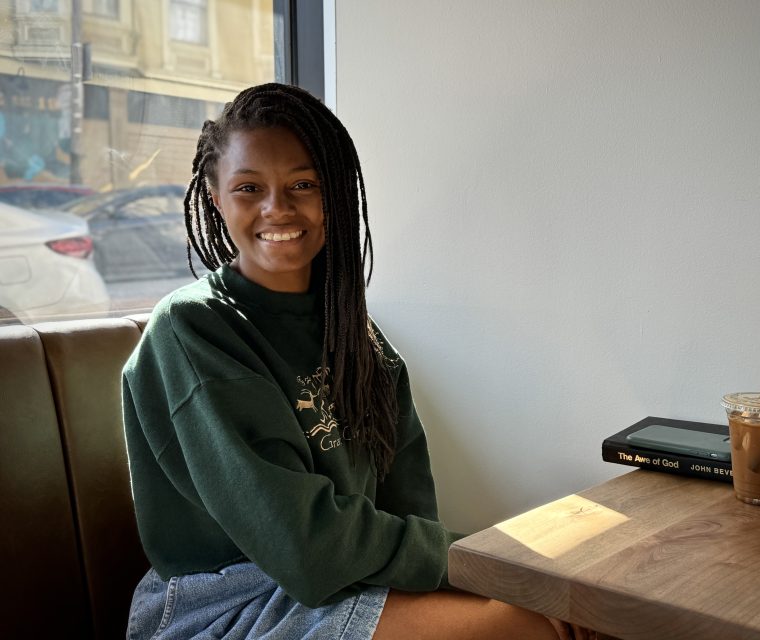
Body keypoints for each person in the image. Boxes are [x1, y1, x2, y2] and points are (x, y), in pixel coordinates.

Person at [122, 83, 589, 639]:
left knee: (578, 612)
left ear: (335, 196)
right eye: (250, 187)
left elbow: (410, 505)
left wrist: (475, 571)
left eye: (303, 184)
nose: (278, 207)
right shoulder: (192, 331)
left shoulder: (353, 333)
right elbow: (301, 542)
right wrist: (477, 563)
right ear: (217, 197)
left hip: (343, 582)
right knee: (528, 626)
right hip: (223, 602)